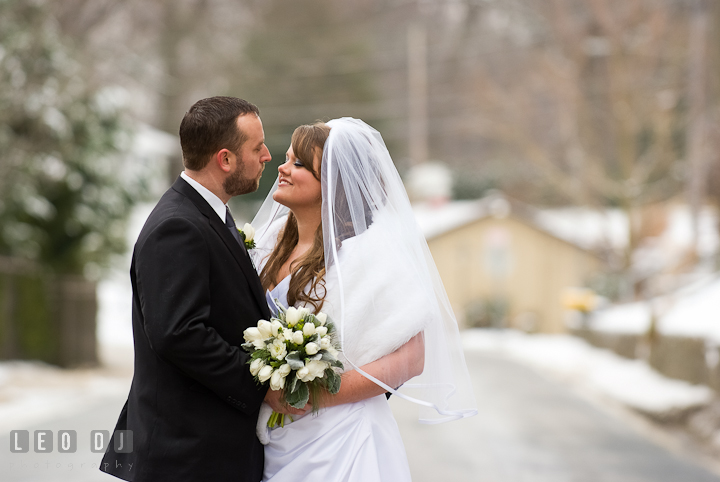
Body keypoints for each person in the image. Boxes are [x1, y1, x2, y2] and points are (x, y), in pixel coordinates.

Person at [250, 118, 477, 482]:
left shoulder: (370, 254)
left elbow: (412, 358)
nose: (282, 167)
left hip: (344, 439)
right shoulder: (270, 242)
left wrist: (315, 395)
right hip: (278, 441)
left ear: (333, 185)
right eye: (288, 158)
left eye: (298, 164)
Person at [100, 96, 296, 481]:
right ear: (225, 159)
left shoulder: (208, 215)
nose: (267, 157)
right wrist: (262, 385)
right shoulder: (178, 227)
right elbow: (178, 334)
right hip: (186, 456)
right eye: (257, 148)